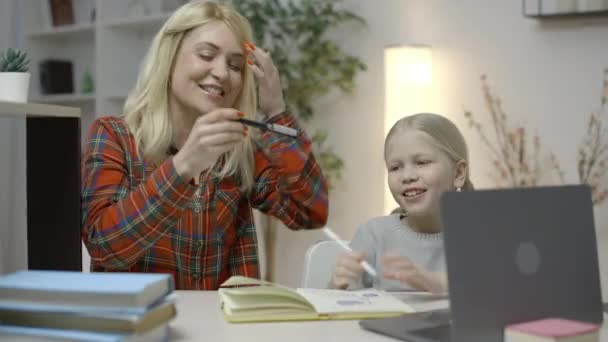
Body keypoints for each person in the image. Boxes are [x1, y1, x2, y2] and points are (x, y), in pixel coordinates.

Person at [81, 1, 328, 290]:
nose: (222, 73)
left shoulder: (239, 151)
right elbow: (105, 248)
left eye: (235, 65)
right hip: (142, 327)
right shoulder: (114, 135)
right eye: (206, 55)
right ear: (170, 56)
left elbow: (310, 212)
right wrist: (183, 167)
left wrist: (276, 110)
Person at [330, 113, 473, 293]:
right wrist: (337, 286)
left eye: (421, 162)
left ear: (458, 174)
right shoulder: (374, 235)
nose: (407, 176)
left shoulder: (482, 236)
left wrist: (434, 282)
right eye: (395, 167)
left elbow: (497, 297)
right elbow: (341, 308)